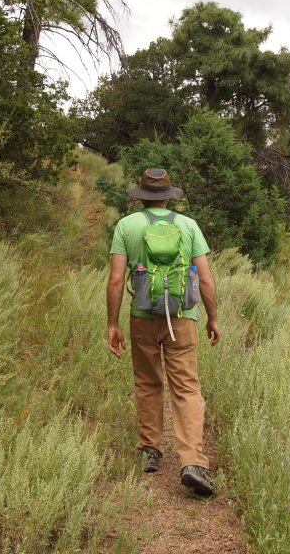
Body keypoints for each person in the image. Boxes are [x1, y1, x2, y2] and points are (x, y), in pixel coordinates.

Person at [106, 167, 221, 497]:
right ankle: (193, 462)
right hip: (183, 316)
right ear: (169, 197)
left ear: (140, 196)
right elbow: (207, 278)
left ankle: (151, 450)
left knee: (147, 381)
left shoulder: (127, 226)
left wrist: (112, 324)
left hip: (142, 316)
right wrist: (212, 318)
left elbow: (115, 280)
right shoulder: (188, 226)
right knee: (186, 386)